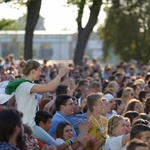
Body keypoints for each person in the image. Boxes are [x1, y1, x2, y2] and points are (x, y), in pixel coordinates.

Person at [4, 59, 69, 146]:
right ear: (33, 71)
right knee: (56, 146)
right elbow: (50, 88)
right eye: (39, 70)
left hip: (25, 125)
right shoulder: (27, 85)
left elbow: (9, 105)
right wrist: (60, 75)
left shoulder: (21, 84)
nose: (41, 73)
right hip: (29, 126)